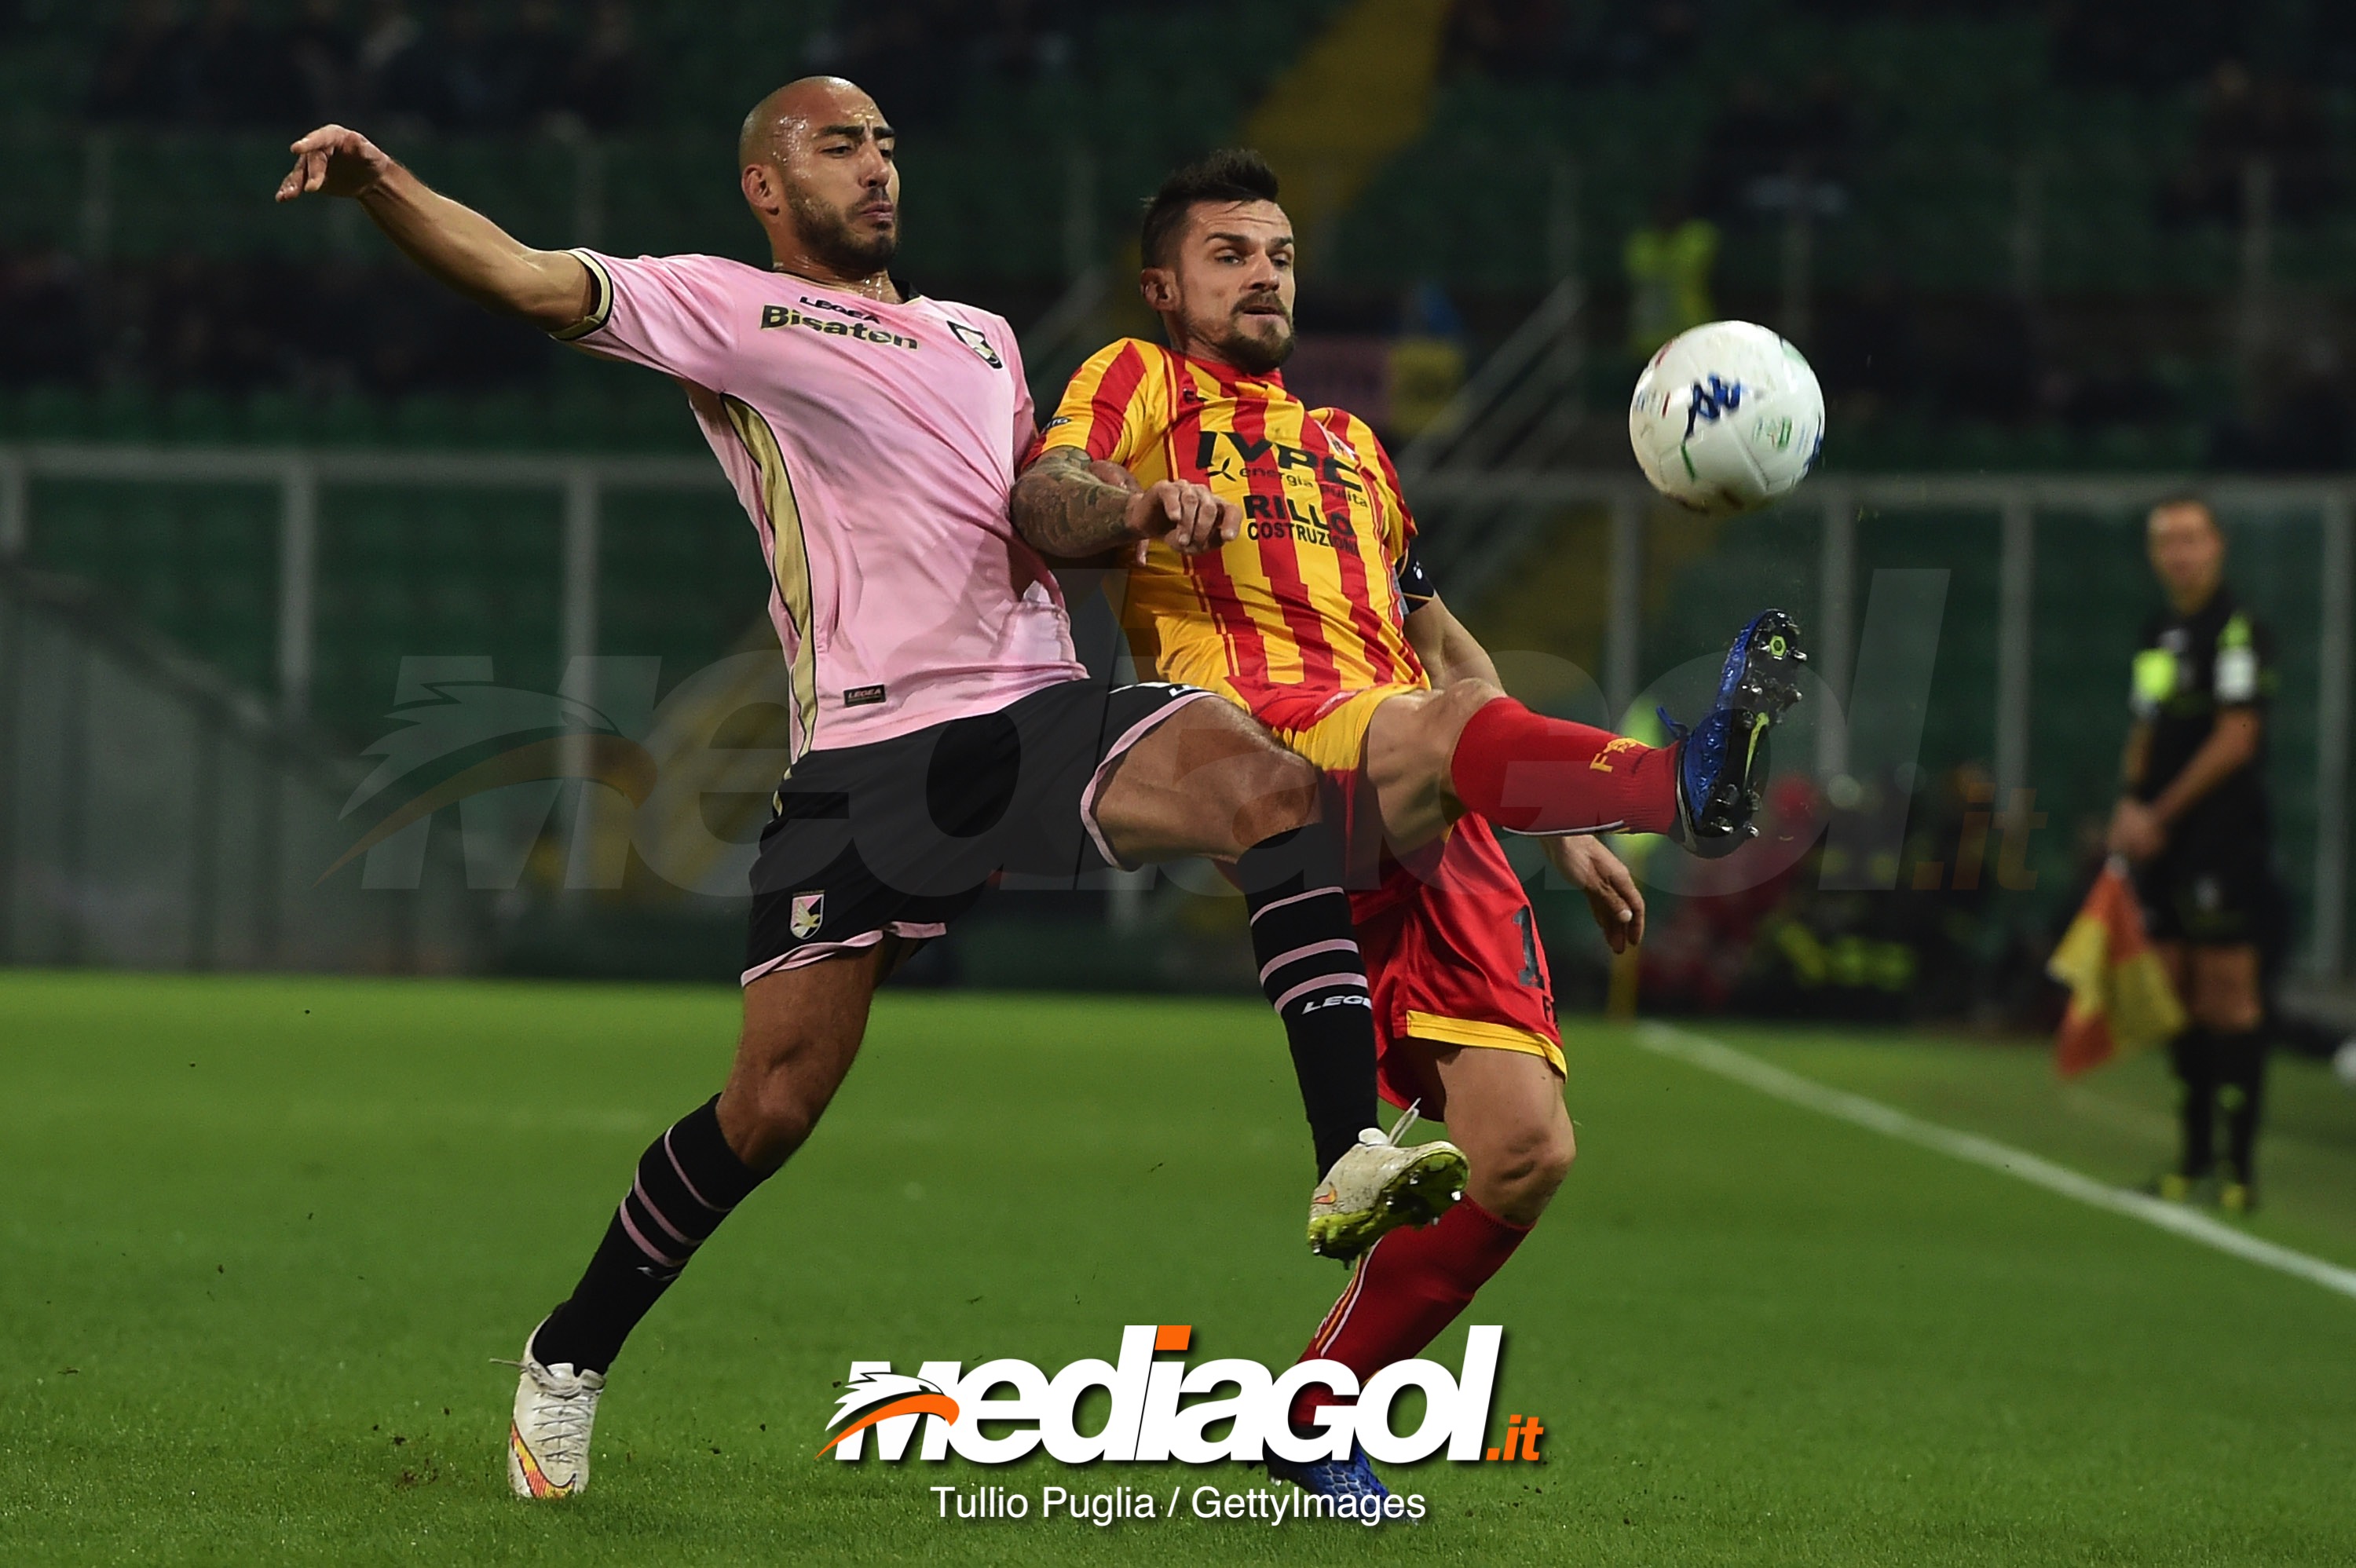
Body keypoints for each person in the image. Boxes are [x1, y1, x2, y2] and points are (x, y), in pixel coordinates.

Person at [274, 78, 1474, 1501]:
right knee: (769, 1108)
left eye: (889, 144)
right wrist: (383, 186)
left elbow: (1047, 506)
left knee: (1267, 789)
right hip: (865, 756)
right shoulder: (728, 308)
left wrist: (1138, 506)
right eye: (839, 147)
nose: (877, 168)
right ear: (768, 188)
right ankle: (569, 1350)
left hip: (1030, 712)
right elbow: (533, 281)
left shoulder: (982, 338)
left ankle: (1346, 1150)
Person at [1012, 148, 1803, 1501]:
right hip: (1272, 755)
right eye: (1228, 254)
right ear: (1164, 284)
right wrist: (1138, 503)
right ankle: (1683, 785)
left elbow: (1455, 658)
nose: (1263, 272)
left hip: (1426, 791)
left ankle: (1315, 1413)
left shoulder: (1355, 452)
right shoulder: (1140, 383)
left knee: (1526, 1151)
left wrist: (1561, 821)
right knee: (1434, 732)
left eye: (1279, 253)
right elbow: (1047, 496)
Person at [2108, 497, 2279, 1214]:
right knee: (2175, 986)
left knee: (2227, 992)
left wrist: (2160, 811)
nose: (2179, 552)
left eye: (2191, 538)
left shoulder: (2239, 629)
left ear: (2218, 545)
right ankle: (2192, 1157)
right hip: (2163, 837)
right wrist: (2127, 801)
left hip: (2222, 834)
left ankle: (2238, 1171)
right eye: (2165, 540)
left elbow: (2236, 737)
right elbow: (2147, 722)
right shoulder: (2160, 630)